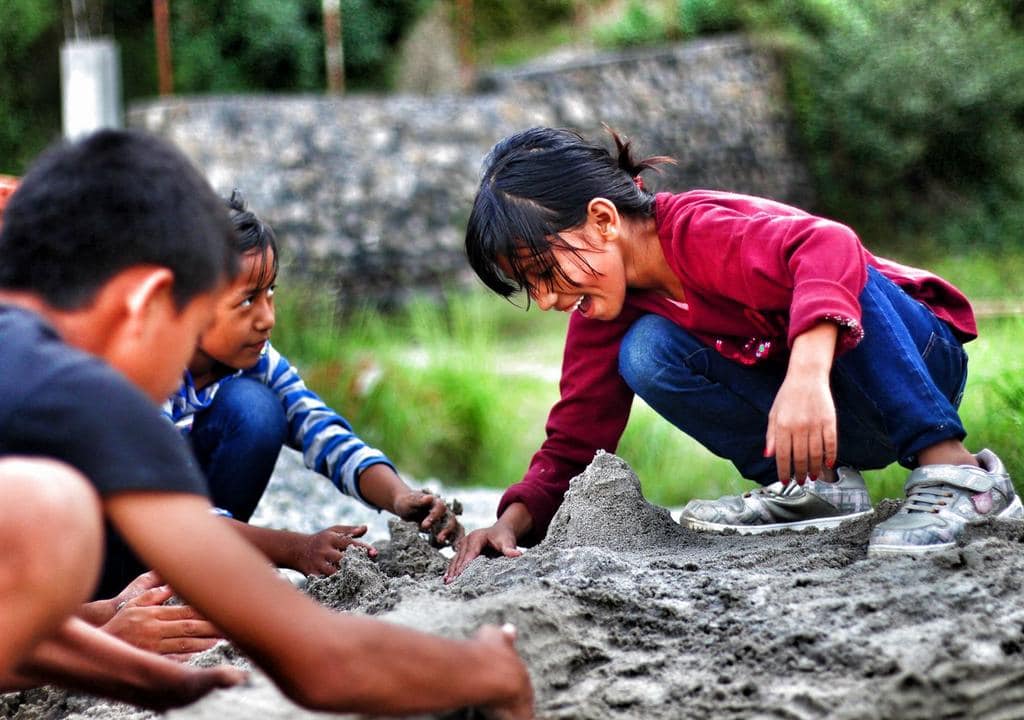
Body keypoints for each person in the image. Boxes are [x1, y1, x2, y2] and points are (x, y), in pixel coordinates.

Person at [0, 128, 533, 718]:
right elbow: (317, 661)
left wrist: (150, 671)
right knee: (52, 508)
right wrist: (487, 668)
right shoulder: (91, 399)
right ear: (149, 301)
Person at [446, 126, 1021, 581]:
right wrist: (512, 522)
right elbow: (577, 430)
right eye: (530, 287)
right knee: (646, 352)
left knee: (830, 259)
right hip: (832, 417)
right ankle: (814, 485)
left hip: (914, 362)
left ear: (602, 220)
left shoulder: (699, 231)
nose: (546, 298)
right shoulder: (607, 307)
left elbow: (829, 244)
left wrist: (806, 372)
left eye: (545, 271)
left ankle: (959, 474)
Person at [158, 190, 462, 581]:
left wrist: (399, 496)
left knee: (258, 406)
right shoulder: (147, 378)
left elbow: (324, 432)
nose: (267, 317)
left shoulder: (257, 361)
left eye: (270, 292)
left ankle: (209, 570)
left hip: (194, 535)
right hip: (116, 553)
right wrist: (295, 549)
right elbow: (167, 513)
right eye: (247, 300)